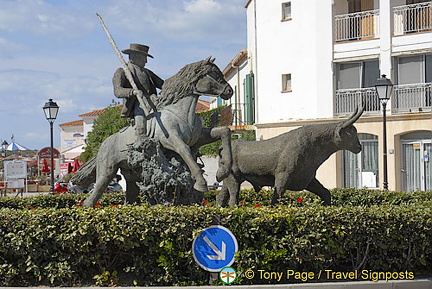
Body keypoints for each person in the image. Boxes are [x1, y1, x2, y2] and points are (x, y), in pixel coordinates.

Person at [113, 43, 164, 136]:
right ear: (135, 57)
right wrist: (132, 92)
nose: (146, 62)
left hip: (153, 101)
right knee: (141, 125)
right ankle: (141, 141)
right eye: (144, 58)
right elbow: (118, 91)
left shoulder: (147, 73)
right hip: (138, 103)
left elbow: (163, 84)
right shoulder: (122, 71)